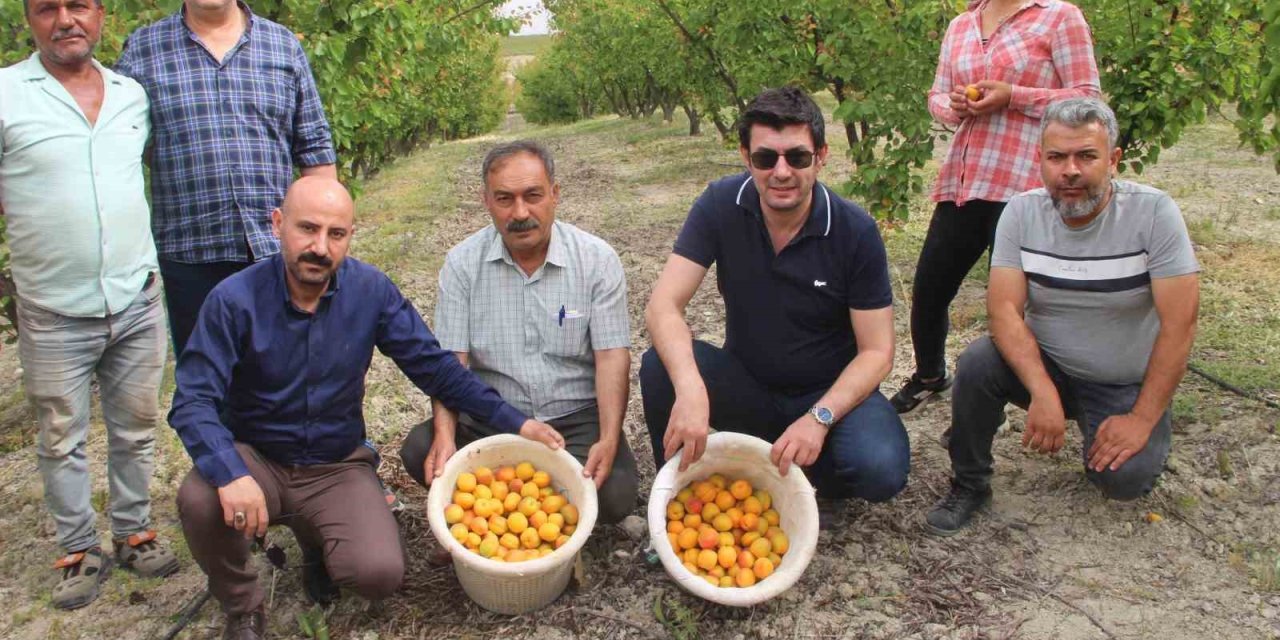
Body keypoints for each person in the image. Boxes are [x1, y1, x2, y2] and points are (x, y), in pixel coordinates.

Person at [169, 177, 564, 639]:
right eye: (307, 229)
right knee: (200, 497)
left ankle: (316, 544)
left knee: (378, 573)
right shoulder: (233, 300)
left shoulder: (370, 292)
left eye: (336, 234)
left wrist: (517, 422)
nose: (320, 247)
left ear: (350, 236)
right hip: (257, 458)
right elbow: (192, 400)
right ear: (278, 225)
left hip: (336, 463)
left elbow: (437, 370)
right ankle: (242, 604)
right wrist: (231, 473)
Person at [925, 98, 1200, 536]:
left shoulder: (1154, 214)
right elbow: (1003, 312)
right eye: (1057, 157)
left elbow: (1179, 325)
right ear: (1040, 161)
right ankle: (970, 483)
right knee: (977, 363)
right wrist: (1042, 391)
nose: (1070, 170)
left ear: (1113, 160)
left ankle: (1132, 427)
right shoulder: (1021, 212)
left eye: (1086, 156)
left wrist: (1141, 419)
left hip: (1120, 380)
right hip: (1046, 365)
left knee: (1124, 483)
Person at [640, 87, 909, 526]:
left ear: (821, 156)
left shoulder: (854, 230)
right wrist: (691, 389)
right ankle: (674, 497)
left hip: (827, 394)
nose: (781, 172)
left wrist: (819, 419)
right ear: (747, 157)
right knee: (659, 367)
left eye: (797, 158)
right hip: (750, 385)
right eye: (766, 159)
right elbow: (663, 306)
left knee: (880, 469)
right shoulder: (720, 205)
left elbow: (877, 351)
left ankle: (793, 469)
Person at [0, 0, 179, 610]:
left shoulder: (132, 94)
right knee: (59, 437)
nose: (64, 19)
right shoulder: (5, 94)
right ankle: (78, 549)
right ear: (29, 18)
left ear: (100, 15)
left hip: (135, 299)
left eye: (78, 5)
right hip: (52, 308)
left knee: (135, 427)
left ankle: (133, 533)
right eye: (47, 8)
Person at [399, 141, 639, 524]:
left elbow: (612, 356)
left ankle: (515, 499)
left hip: (574, 418)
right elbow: (451, 363)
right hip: (487, 418)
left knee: (615, 496)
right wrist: (446, 435)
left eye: (533, 196)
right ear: (487, 202)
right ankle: (518, 503)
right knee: (422, 449)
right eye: (505, 199)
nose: (520, 213)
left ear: (555, 194)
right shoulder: (463, 265)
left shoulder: (596, 260)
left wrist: (608, 437)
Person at [891, 0, 1101, 425]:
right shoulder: (962, 24)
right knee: (930, 288)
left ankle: (997, 398)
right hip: (966, 181)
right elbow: (937, 94)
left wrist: (1013, 97)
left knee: (1009, 305)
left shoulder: (1058, 16)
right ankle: (930, 375)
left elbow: (1087, 99)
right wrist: (953, 106)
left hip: (1024, 187)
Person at [116, 0, 338, 355]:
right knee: (206, 379)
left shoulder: (281, 45)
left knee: (285, 373)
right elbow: (120, 145)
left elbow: (313, 146)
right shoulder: (143, 50)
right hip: (189, 255)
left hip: (274, 251)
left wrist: (326, 237)